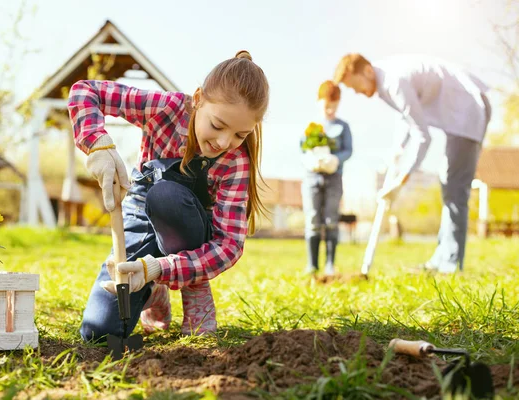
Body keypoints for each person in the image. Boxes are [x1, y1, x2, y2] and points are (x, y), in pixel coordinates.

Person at [67, 50, 270, 342]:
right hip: (140, 213)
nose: (225, 142)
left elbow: (229, 246)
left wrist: (158, 267)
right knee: (98, 333)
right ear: (198, 99)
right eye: (217, 125)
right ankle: (154, 295)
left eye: (240, 134)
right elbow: (85, 91)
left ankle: (193, 290)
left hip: (187, 227)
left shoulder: (236, 162)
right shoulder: (166, 108)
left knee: (168, 197)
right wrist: (96, 143)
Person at [333, 53, 492, 273]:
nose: (357, 92)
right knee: (449, 184)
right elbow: (407, 118)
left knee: (455, 188)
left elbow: (423, 136)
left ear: (367, 71)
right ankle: (442, 259)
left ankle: (450, 263)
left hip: (468, 109)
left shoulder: (394, 80)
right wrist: (398, 150)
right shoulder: (384, 84)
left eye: (355, 86)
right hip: (457, 114)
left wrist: (402, 179)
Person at [301, 80, 353, 277]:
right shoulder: (310, 127)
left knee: (331, 219)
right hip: (312, 177)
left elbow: (348, 150)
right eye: (326, 106)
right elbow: (302, 150)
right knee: (313, 218)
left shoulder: (343, 127)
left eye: (334, 106)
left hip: (334, 178)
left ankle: (330, 264)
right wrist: (310, 161)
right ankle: (312, 265)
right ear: (319, 102)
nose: (330, 110)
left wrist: (335, 159)